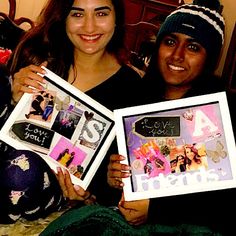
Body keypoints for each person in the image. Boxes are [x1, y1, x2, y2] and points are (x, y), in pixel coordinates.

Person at [107, 0, 236, 234]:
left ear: (210, 58)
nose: (177, 55)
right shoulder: (131, 103)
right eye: (170, 42)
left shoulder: (224, 116)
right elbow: (118, 186)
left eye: (193, 47)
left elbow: (226, 205)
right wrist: (113, 177)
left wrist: (158, 209)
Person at [7, 0, 143, 207]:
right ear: (64, 19)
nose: (89, 27)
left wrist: (86, 198)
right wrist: (13, 99)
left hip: (44, 195)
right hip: (9, 169)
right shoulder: (37, 59)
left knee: (20, 177)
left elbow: (116, 179)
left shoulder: (132, 88)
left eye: (101, 14)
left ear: (117, 19)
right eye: (77, 15)